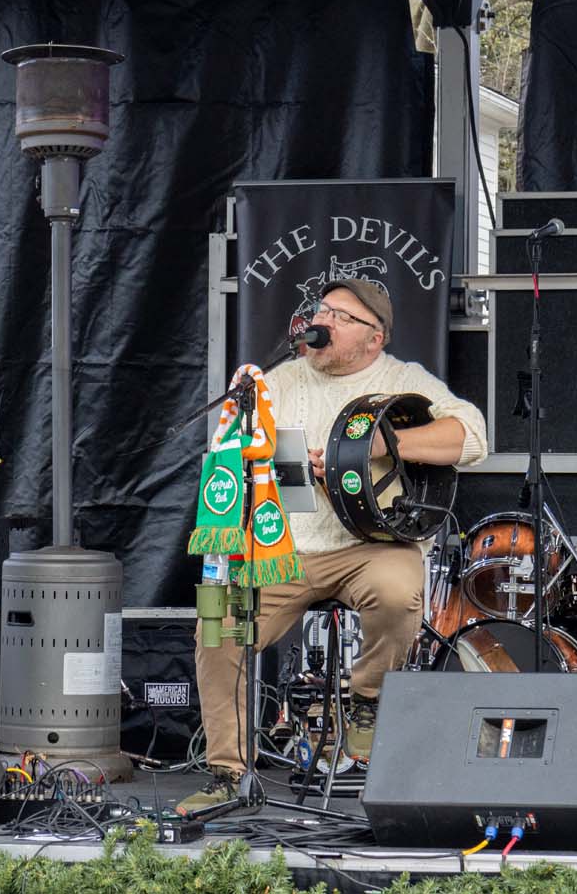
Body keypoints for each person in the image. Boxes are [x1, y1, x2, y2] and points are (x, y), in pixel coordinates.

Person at [178, 279, 487, 816]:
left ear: (374, 337)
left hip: (374, 544)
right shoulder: (279, 380)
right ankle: (230, 773)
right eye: (322, 310)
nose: (324, 320)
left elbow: (473, 438)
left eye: (341, 316)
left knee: (397, 593)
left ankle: (367, 699)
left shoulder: (402, 379)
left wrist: (377, 448)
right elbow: (244, 457)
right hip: (288, 547)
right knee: (219, 624)